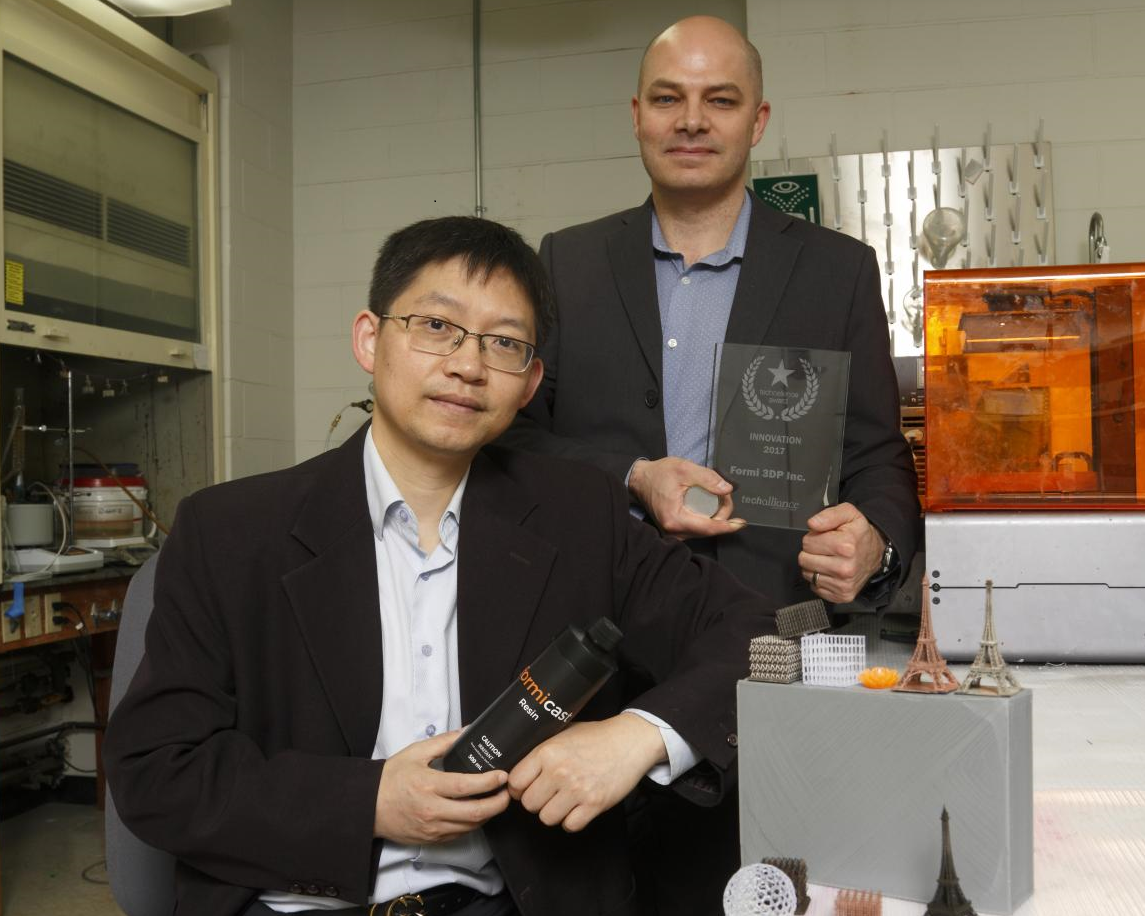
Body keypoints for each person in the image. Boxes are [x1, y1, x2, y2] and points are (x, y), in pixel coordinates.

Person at [104, 216, 773, 916]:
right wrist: (368, 803)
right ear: (370, 339)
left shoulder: (579, 515)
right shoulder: (231, 532)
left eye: (504, 343)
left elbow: (759, 631)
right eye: (435, 326)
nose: (467, 364)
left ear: (529, 381)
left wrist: (636, 737)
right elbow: (157, 769)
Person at [500, 15, 921, 916]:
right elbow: (515, 442)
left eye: (718, 100)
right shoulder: (567, 263)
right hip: (592, 664)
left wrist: (875, 540)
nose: (691, 120)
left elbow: (878, 457)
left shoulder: (837, 271)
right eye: (669, 98)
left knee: (760, 895)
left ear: (756, 120)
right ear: (637, 115)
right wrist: (632, 474)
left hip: (766, 662)